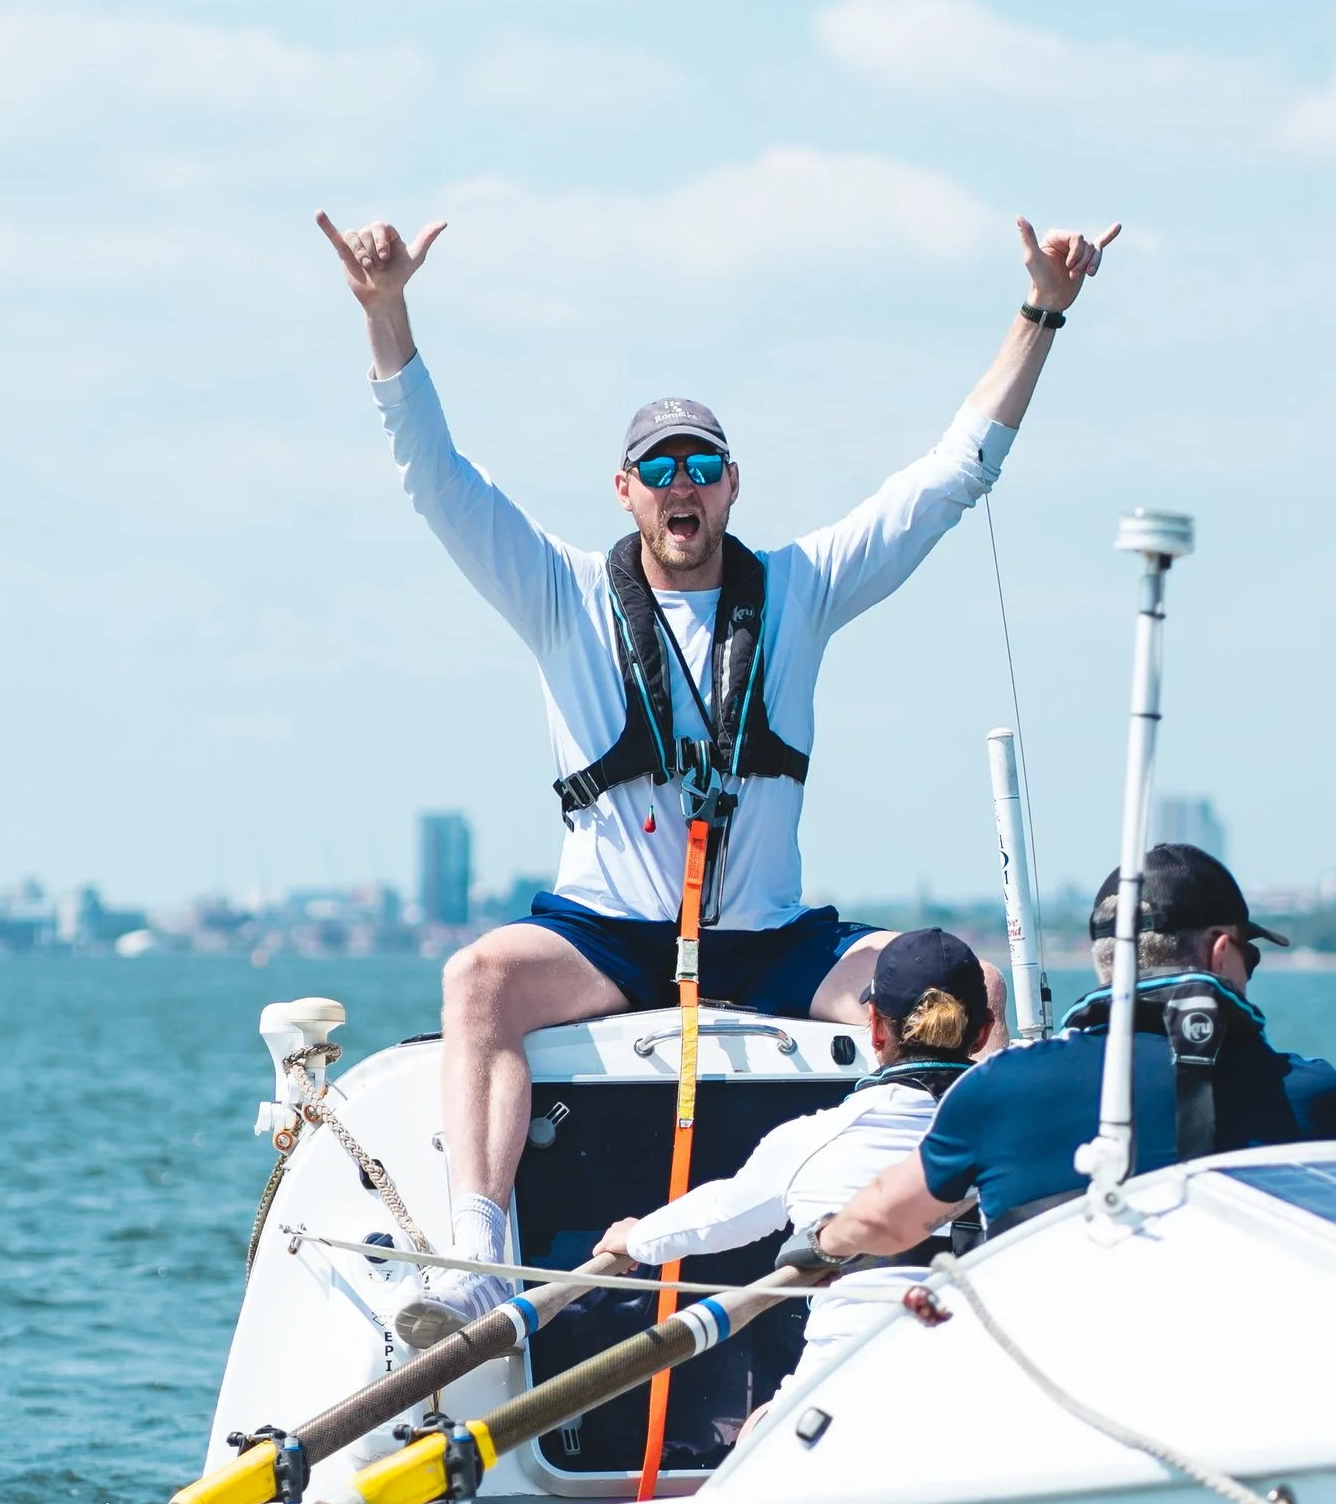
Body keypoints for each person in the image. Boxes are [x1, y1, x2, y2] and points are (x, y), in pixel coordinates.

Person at [317, 200, 1121, 1315]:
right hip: (606, 934)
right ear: (625, 492)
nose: (680, 484)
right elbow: (436, 477)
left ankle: (992, 1232)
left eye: (701, 464)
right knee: (479, 981)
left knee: (968, 986)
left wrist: (1041, 312)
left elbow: (948, 479)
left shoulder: (799, 588)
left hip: (765, 940)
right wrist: (386, 314)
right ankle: (475, 1260)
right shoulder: (558, 596)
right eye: (658, 468)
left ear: (732, 485)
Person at [793, 844, 1336, 1272]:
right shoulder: (1320, 1102)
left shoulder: (997, 1088)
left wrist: (821, 1244)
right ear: (1221, 953)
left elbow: (884, 1218)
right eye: (1251, 957)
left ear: (1103, 961)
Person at [588, 928, 1000, 1400]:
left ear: (876, 1027)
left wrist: (636, 1238)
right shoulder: (1033, 1139)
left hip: (843, 1391)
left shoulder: (815, 1139)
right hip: (984, 1388)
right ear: (984, 1032)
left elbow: (721, 1216)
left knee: (757, 1431)